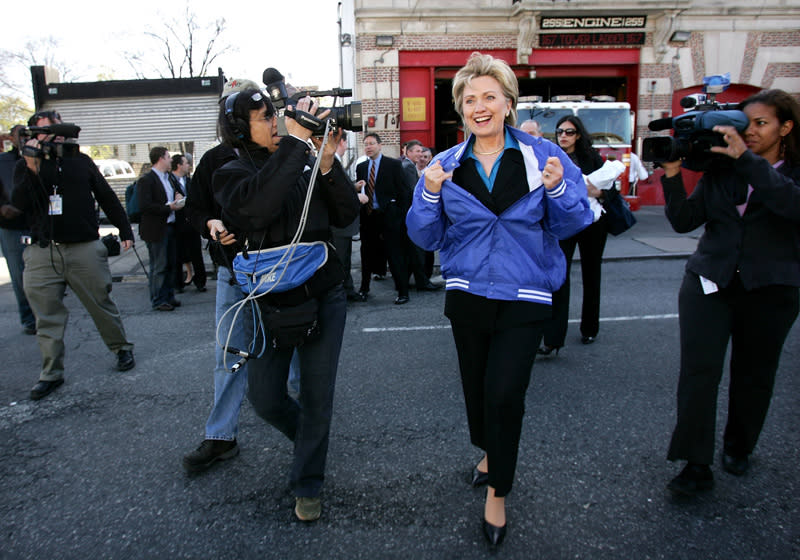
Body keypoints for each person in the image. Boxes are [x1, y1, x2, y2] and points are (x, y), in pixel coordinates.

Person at [406, 52, 592, 546]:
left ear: (508, 103)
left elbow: (576, 221)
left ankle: (498, 494)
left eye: (490, 96)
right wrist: (426, 194)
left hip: (525, 294)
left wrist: (556, 192)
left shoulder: (543, 156)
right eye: (469, 99)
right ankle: (488, 450)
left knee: (505, 394)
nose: (479, 106)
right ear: (460, 110)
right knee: (476, 389)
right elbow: (424, 238)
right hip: (467, 294)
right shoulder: (444, 165)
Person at [213, 87, 359, 521]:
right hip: (266, 303)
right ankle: (311, 442)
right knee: (266, 398)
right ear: (240, 129)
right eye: (263, 118)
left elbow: (347, 214)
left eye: (274, 115)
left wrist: (328, 163)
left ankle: (308, 481)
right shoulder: (231, 172)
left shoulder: (304, 162)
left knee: (316, 395)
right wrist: (297, 144)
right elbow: (257, 208)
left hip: (323, 293)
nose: (276, 123)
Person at [662, 89, 800, 496]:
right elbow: (685, 220)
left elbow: (789, 205)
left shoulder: (787, 172)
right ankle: (695, 463)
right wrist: (671, 174)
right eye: (746, 123)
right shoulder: (721, 169)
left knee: (754, 375)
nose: (751, 131)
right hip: (709, 281)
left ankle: (739, 446)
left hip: (772, 288)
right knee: (698, 374)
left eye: (761, 124)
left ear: (785, 127)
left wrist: (746, 159)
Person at [11, 110, 135, 401]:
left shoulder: (80, 161)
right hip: (43, 250)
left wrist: (125, 229)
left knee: (101, 304)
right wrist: (31, 165)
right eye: (41, 131)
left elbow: (106, 196)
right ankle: (50, 373)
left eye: (53, 130)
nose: (49, 136)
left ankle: (122, 350)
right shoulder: (26, 165)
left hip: (84, 248)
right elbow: (17, 205)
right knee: (47, 317)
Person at [181, 78, 258, 473]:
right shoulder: (213, 160)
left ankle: (306, 423)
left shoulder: (279, 152)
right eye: (232, 108)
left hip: (282, 275)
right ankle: (220, 436)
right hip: (232, 272)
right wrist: (210, 222)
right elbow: (194, 208)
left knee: (295, 352)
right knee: (227, 355)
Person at [539, 115, 607, 355]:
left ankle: (590, 328)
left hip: (592, 222)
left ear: (578, 135)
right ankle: (553, 339)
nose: (563, 136)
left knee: (591, 274)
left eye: (569, 132)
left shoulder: (593, 158)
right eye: (559, 132)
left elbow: (608, 190)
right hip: (563, 222)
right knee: (558, 276)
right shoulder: (551, 157)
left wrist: (596, 190)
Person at [356, 133, 415, 304]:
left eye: (372, 143)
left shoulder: (393, 165)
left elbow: (404, 192)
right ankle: (364, 289)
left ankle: (403, 292)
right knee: (366, 255)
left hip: (389, 217)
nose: (368, 147)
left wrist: (400, 215)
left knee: (394, 254)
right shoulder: (361, 167)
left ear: (380, 145)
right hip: (368, 217)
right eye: (366, 144)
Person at [138, 147, 184, 311]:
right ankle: (158, 299)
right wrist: (169, 207)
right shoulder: (147, 180)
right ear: (160, 159)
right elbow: (144, 206)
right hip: (156, 229)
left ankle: (168, 296)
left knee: (171, 263)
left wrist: (178, 196)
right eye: (168, 157)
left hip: (171, 226)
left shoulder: (169, 178)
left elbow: (175, 192)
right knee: (159, 265)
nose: (171, 160)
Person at [0, 124, 36, 335]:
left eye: (26, 135)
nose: (22, 139)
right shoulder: (3, 162)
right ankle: (29, 318)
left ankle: (43, 313)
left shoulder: (37, 158)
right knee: (18, 274)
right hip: (10, 226)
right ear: (11, 139)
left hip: (35, 224)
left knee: (41, 273)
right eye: (18, 135)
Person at [330, 132, 366, 301]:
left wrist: (353, 187)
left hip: (341, 225)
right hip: (339, 225)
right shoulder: (332, 162)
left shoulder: (335, 161)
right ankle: (345, 292)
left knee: (344, 259)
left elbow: (340, 188)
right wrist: (356, 196)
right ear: (342, 142)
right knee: (342, 260)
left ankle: (347, 289)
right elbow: (334, 193)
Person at [169, 153, 207, 293]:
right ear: (178, 165)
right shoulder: (169, 181)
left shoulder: (189, 181)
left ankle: (200, 281)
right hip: (177, 223)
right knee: (178, 254)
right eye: (185, 163)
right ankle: (178, 283)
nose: (188, 166)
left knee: (196, 253)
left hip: (191, 223)